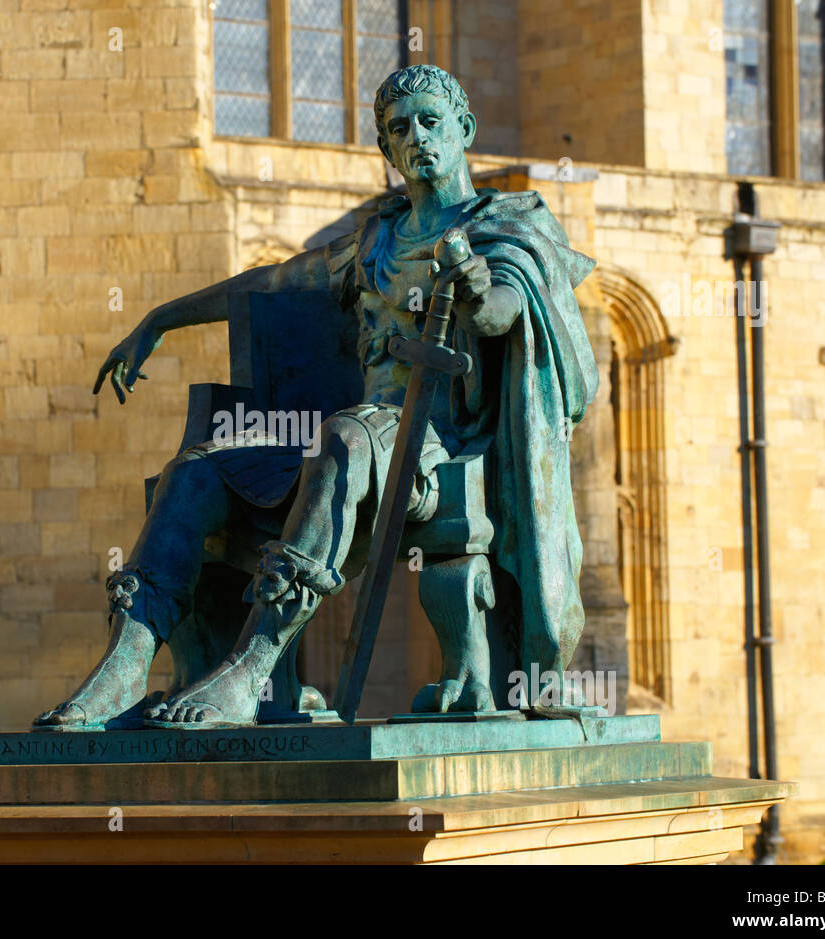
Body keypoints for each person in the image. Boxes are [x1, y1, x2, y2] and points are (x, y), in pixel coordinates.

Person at [33, 64, 598, 729]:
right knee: (197, 470)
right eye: (398, 128)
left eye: (430, 121)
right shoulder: (374, 242)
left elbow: (510, 308)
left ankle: (254, 667)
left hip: (438, 443)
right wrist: (159, 318)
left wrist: (479, 290)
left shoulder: (505, 224)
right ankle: (126, 664)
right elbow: (271, 282)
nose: (416, 136)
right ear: (387, 151)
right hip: (362, 434)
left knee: (345, 437)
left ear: (464, 129)